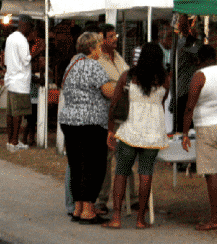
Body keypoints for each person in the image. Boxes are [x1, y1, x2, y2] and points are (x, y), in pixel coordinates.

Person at [102, 43, 169, 230]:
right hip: (153, 133)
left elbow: (114, 105)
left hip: (129, 131)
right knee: (146, 174)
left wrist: (110, 131)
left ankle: (116, 218)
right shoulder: (164, 79)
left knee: (121, 173)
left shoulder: (128, 76)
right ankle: (140, 219)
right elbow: (161, 102)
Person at [58, 32, 116, 224]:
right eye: (99, 46)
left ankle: (78, 208)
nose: (101, 49)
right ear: (92, 48)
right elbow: (107, 91)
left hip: (69, 121)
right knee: (94, 165)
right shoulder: (93, 66)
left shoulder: (72, 64)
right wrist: (120, 87)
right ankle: (88, 209)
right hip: (90, 122)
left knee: (77, 165)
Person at [180, 44, 217, 231]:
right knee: (215, 174)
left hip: (207, 126)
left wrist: (185, 132)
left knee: (211, 175)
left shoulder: (200, 76)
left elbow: (190, 106)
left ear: (199, 60)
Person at [93, 23, 130, 215]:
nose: (115, 39)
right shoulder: (98, 60)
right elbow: (103, 88)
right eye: (110, 36)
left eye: (115, 35)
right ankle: (101, 199)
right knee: (106, 157)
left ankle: (130, 199)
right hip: (107, 111)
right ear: (102, 39)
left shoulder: (119, 58)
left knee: (126, 154)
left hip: (124, 111)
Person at [4, 15, 34, 152]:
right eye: (31, 26)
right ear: (26, 25)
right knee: (18, 114)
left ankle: (10, 140)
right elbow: (26, 59)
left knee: (11, 113)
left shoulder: (10, 38)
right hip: (20, 81)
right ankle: (15, 141)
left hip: (11, 80)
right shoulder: (22, 40)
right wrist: (38, 49)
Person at [170, 14, 203, 134]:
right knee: (186, 129)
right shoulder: (183, 43)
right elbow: (199, 52)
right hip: (184, 90)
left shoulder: (181, 43)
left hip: (181, 90)